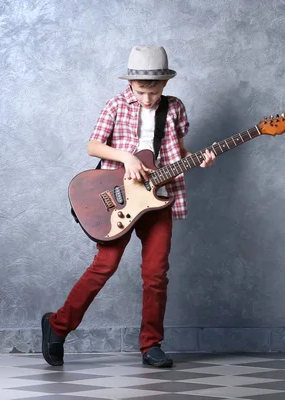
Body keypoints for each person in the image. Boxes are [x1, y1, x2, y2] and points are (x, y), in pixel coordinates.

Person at [41, 45, 215, 368]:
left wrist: (199, 159)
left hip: (157, 198)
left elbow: (180, 149)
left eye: (153, 91)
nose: (146, 98)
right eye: (140, 91)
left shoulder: (175, 108)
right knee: (104, 266)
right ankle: (56, 325)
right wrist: (127, 157)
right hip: (118, 199)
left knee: (156, 273)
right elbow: (93, 144)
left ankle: (151, 345)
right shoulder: (116, 104)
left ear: (165, 84)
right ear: (131, 84)